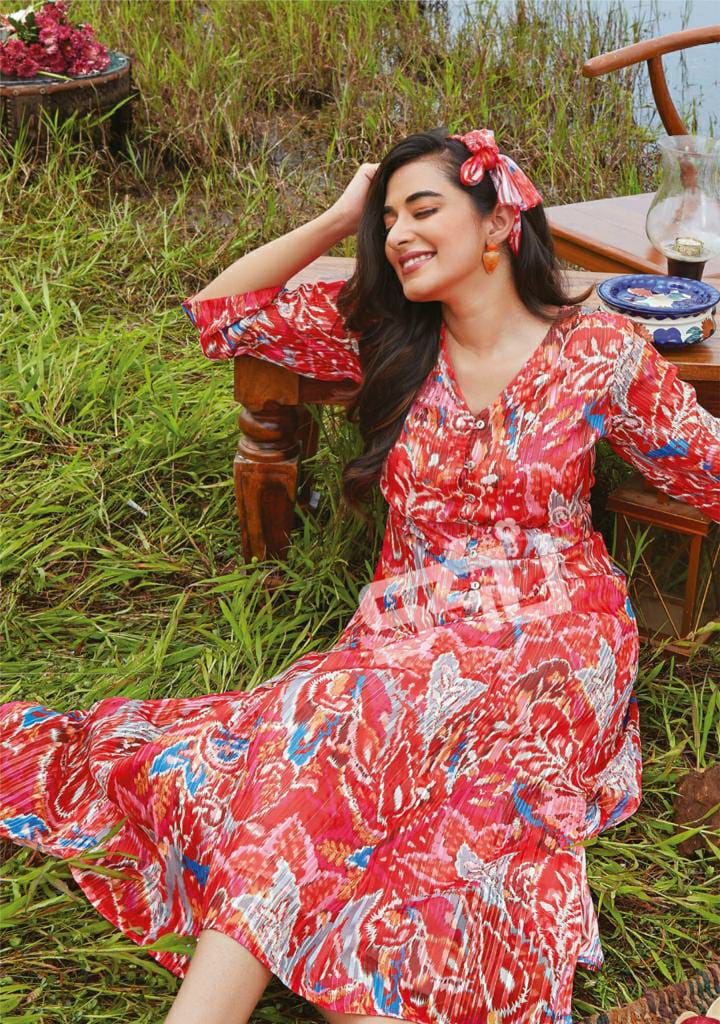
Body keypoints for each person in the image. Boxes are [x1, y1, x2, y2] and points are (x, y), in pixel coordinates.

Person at [1, 126, 719, 1024]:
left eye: (423, 210)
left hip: (554, 629)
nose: (397, 234)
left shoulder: (598, 350)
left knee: (342, 730)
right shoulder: (389, 339)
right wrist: (339, 216)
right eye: (387, 220)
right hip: (406, 624)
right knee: (339, 773)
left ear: (500, 222)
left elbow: (709, 469)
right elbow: (220, 313)